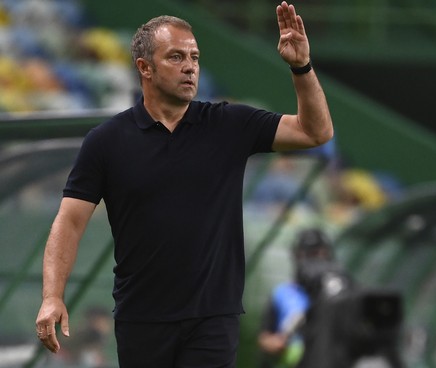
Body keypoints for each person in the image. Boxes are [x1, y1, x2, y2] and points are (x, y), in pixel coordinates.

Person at [34, 2, 333, 367]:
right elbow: (69, 221)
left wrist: (301, 66)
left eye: (194, 56)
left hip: (213, 317)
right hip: (141, 320)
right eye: (176, 57)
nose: (190, 65)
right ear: (145, 67)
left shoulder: (228, 124)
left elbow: (315, 131)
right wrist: (52, 296)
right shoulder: (107, 141)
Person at [257, 228, 347, 368]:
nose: (313, 260)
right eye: (307, 254)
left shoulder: (339, 293)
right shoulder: (282, 293)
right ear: (296, 255)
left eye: (318, 254)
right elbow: (265, 337)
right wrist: (278, 343)